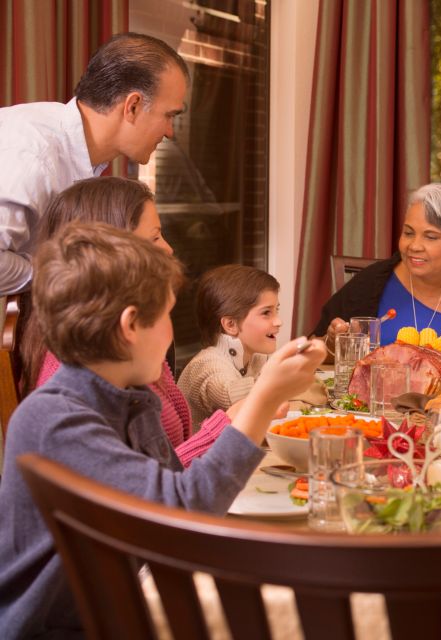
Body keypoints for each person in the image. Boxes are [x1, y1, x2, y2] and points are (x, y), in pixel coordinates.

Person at [0, 222, 324, 637]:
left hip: (111, 602)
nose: (172, 332)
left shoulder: (133, 399)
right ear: (131, 325)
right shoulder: (54, 419)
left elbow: (177, 494)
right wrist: (262, 400)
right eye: (167, 315)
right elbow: (179, 516)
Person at [19, 176, 233, 467]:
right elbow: (154, 489)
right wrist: (233, 426)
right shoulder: (72, 400)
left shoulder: (131, 359)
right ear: (113, 247)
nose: (168, 249)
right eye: (154, 237)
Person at [0, 32, 189, 295]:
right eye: (168, 116)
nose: (170, 131)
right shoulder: (34, 154)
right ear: (132, 106)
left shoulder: (83, 158)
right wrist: (72, 276)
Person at [314, 182, 441, 363]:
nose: (414, 246)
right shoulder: (369, 285)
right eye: (408, 233)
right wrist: (332, 345)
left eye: (431, 237)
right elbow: (310, 354)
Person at [178, 265, 283, 425]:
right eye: (266, 313)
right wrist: (284, 379)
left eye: (277, 310)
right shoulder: (206, 365)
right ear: (231, 324)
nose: (278, 321)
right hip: (203, 450)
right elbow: (229, 396)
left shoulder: (257, 356)